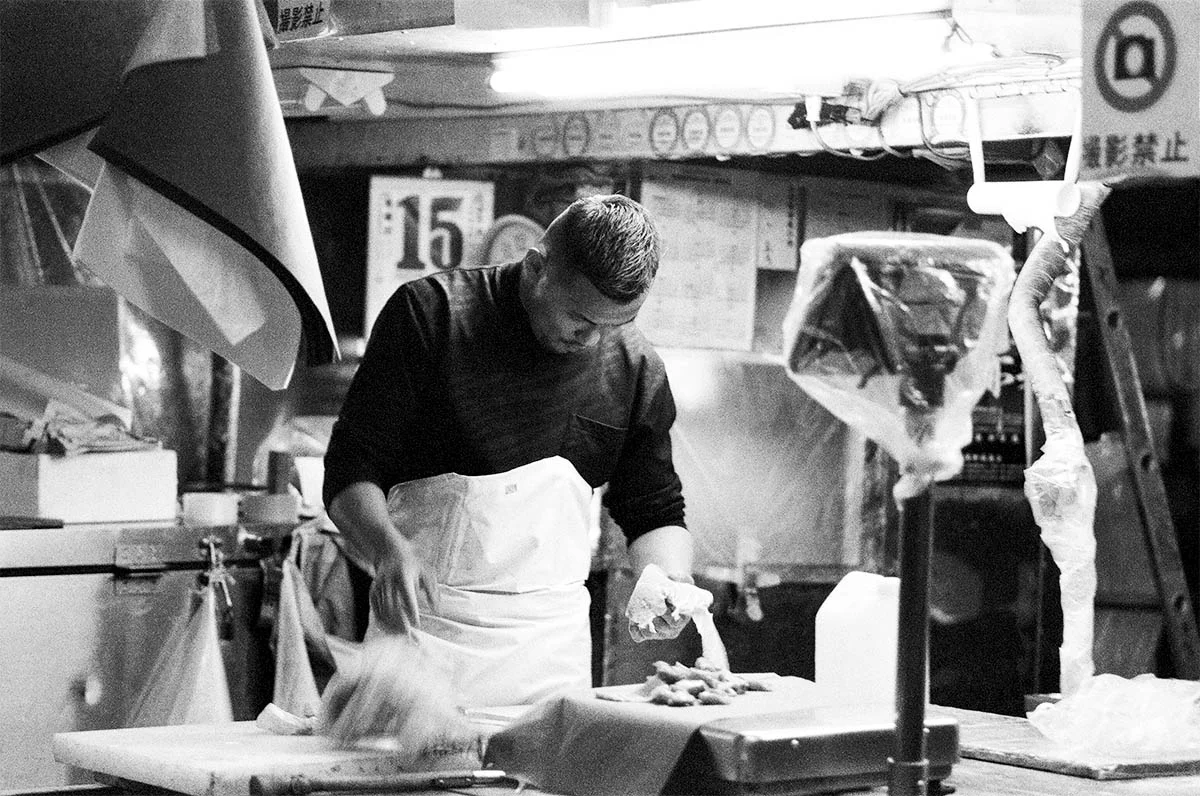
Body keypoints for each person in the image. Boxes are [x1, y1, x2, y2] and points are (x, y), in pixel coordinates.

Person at [322, 193, 696, 707]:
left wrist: (667, 579)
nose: (594, 341)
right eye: (581, 319)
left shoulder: (635, 366)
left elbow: (654, 509)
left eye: (616, 324)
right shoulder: (432, 315)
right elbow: (349, 470)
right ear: (537, 267)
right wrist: (387, 548)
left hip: (551, 656)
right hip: (425, 641)